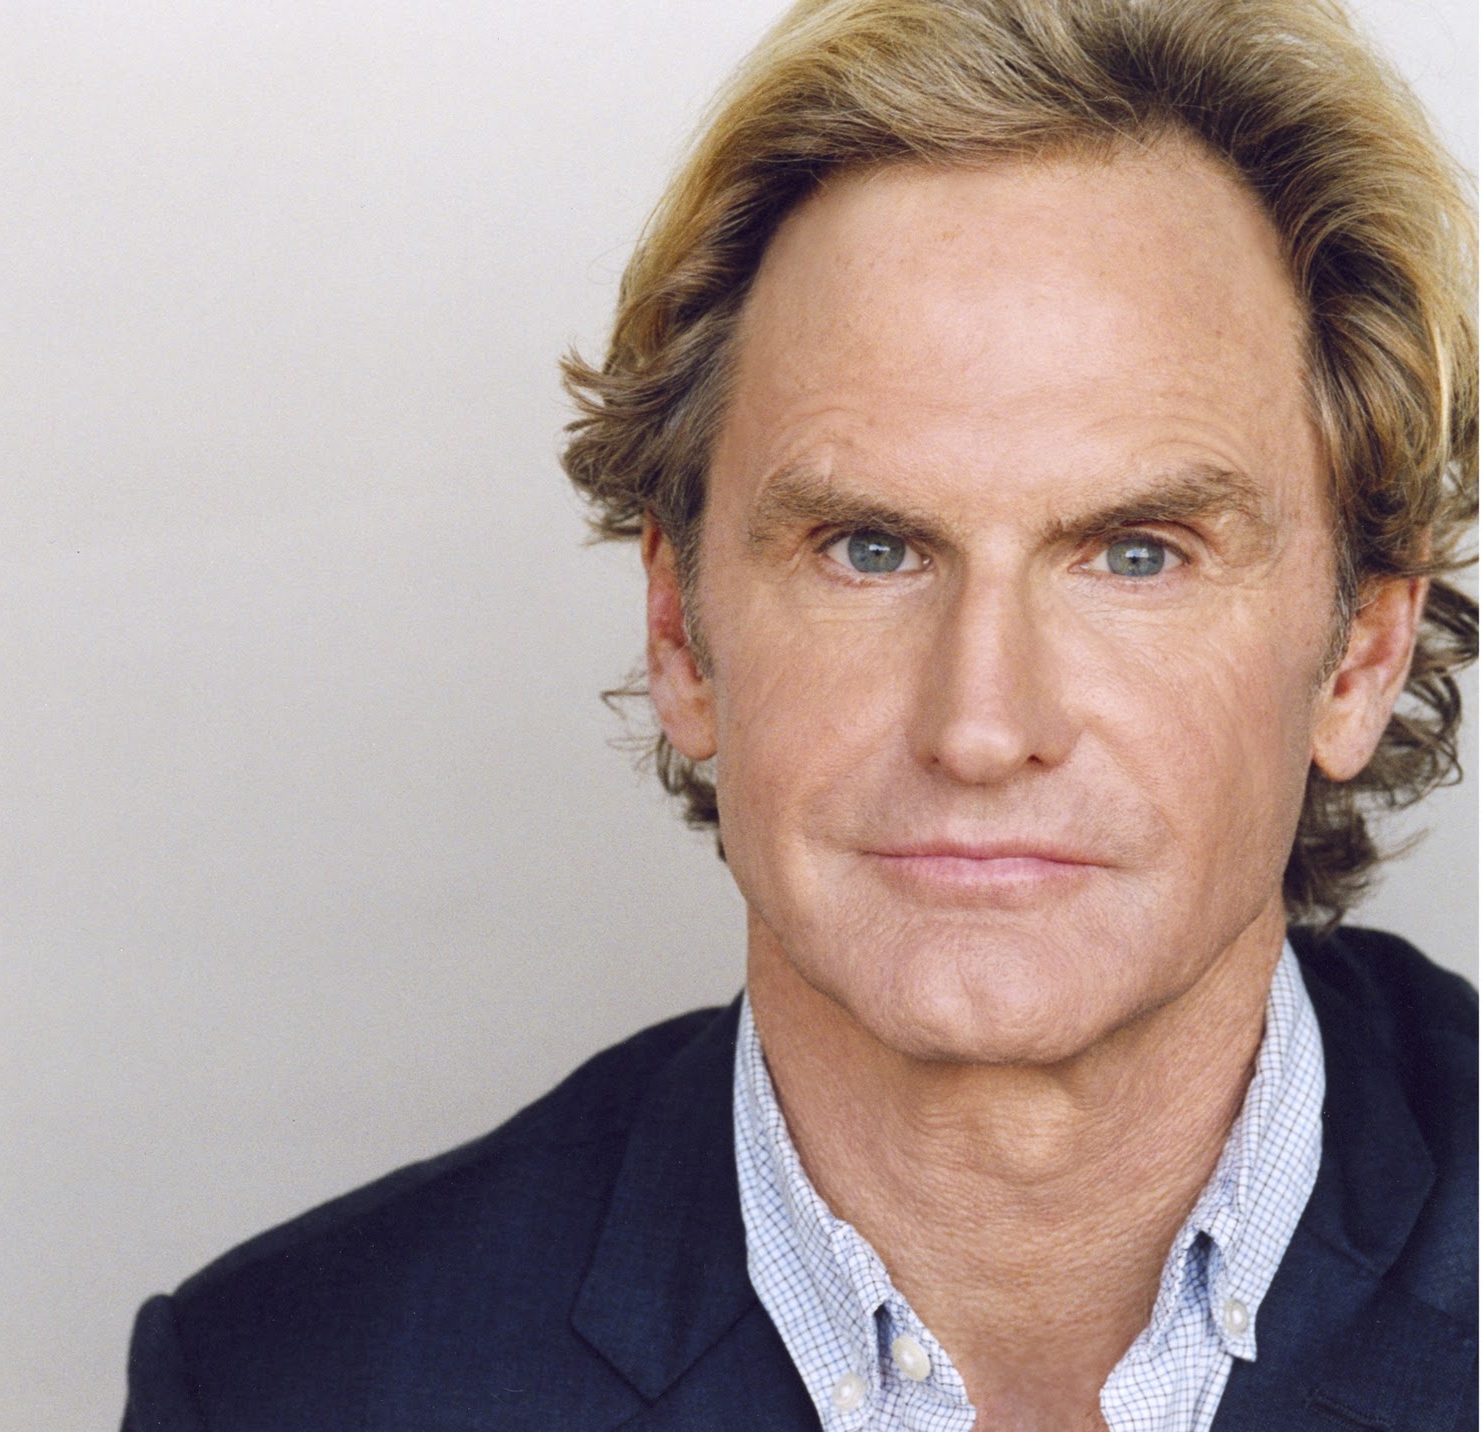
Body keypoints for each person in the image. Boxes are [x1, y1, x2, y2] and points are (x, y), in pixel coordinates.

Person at [121, 1, 1477, 1428]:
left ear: (1360, 657)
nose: (981, 726)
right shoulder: (291, 1386)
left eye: (1138, 555)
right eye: (870, 550)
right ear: (680, 633)